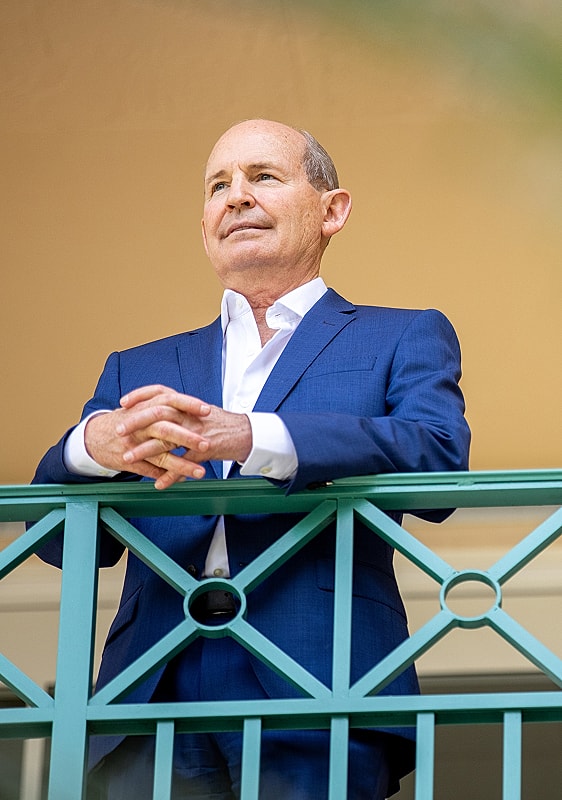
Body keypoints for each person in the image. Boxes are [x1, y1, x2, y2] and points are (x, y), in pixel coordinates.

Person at [33, 119, 471, 799]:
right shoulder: (138, 366)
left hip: (322, 683)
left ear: (333, 210)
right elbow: (60, 544)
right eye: (217, 186)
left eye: (263, 176)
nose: (235, 196)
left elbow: (439, 465)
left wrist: (255, 437)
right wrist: (88, 449)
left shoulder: (403, 333)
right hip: (149, 694)